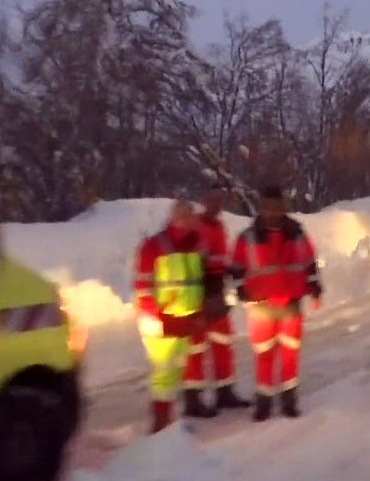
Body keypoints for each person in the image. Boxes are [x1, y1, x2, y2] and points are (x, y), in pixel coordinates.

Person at [228, 185, 323, 422]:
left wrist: (314, 285)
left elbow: (309, 261)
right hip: (260, 305)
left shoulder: (296, 233)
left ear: (283, 208)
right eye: (268, 207)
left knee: (290, 354)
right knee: (265, 354)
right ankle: (264, 401)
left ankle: (289, 400)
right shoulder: (248, 237)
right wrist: (239, 289)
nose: (273, 212)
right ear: (262, 208)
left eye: (277, 207)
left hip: (291, 303)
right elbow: (236, 267)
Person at [134, 199, 208, 433]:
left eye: (192, 217)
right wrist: (152, 316)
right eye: (189, 217)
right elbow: (143, 285)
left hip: (185, 318)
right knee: (164, 372)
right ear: (179, 219)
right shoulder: (155, 245)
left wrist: (199, 312)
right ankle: (160, 424)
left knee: (176, 370)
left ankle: (168, 421)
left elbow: (196, 283)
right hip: (162, 319)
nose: (193, 221)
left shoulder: (195, 244)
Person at [183, 184, 253, 414]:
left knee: (223, 342)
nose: (216, 205)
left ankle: (225, 392)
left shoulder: (220, 227)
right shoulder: (195, 226)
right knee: (196, 347)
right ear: (204, 200)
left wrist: (233, 274)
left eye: (219, 200)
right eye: (212, 199)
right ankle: (193, 399)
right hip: (198, 295)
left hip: (217, 293)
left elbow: (222, 259)